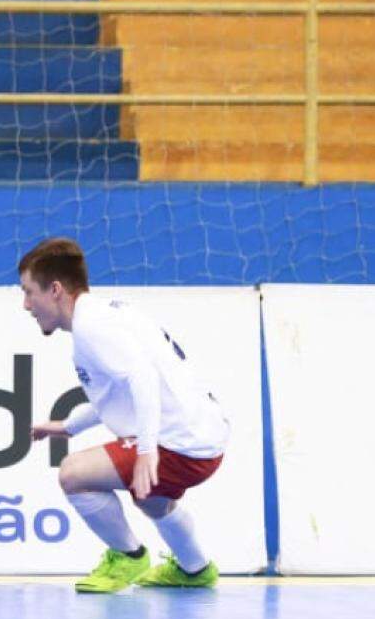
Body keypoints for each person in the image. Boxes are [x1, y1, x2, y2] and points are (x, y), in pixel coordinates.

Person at [19, 238, 229, 591]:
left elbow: (142, 378)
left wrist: (147, 451)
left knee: (73, 474)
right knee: (152, 499)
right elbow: (118, 394)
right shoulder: (106, 314)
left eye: (29, 293)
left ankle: (128, 558)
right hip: (204, 436)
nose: (26, 305)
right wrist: (66, 427)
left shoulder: (92, 329)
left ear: (55, 290)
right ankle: (195, 569)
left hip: (178, 443)